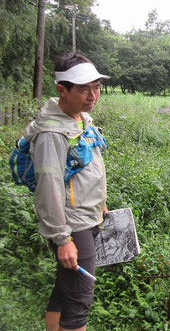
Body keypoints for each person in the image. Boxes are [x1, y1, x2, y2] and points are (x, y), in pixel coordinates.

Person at [24, 53, 110, 331]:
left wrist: (101, 203)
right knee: (79, 302)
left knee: (64, 292)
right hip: (73, 225)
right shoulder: (52, 133)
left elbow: (85, 171)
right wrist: (62, 239)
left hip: (88, 216)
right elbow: (48, 189)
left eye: (96, 87)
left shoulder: (80, 118)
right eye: (83, 88)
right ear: (62, 89)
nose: (92, 95)